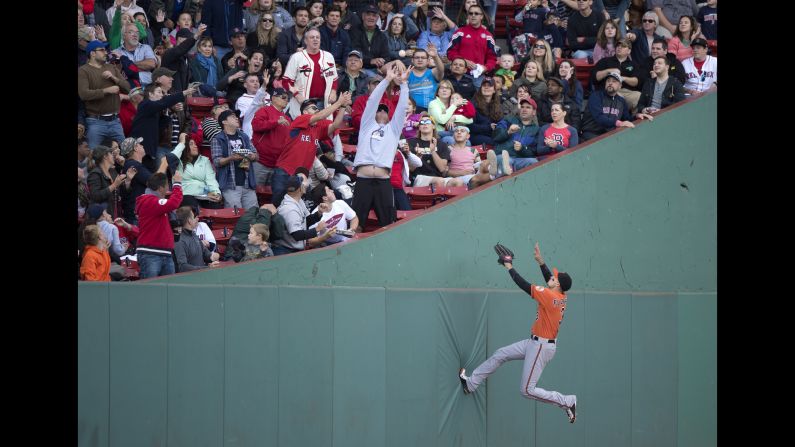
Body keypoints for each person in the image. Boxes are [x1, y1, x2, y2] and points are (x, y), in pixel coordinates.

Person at [459, 242, 576, 423]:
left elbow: (523, 284)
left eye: (555, 277)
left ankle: (567, 401)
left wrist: (509, 266)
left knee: (527, 390)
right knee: (501, 354)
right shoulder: (561, 295)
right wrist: (540, 262)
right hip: (536, 343)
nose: (552, 277)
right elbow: (550, 282)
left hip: (540, 347)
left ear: (558, 284)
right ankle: (471, 383)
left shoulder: (551, 295)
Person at [351, 66, 410, 230]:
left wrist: (403, 85)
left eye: (385, 111)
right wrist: (386, 80)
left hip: (383, 181)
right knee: (356, 224)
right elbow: (372, 101)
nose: (382, 113)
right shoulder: (366, 125)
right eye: (379, 111)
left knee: (388, 225)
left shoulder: (393, 129)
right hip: (363, 180)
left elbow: (402, 107)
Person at [271, 93, 352, 207]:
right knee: (277, 205)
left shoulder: (317, 128)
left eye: (317, 108)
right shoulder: (300, 120)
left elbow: (335, 125)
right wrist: (338, 102)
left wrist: (343, 106)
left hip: (302, 177)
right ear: (305, 112)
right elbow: (321, 116)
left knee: (299, 208)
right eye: (313, 108)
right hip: (285, 171)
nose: (317, 110)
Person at [130, 82, 197, 172]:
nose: (162, 95)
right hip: (141, 149)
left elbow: (160, 127)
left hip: (149, 151)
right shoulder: (145, 104)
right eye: (159, 92)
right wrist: (183, 93)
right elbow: (163, 102)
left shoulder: (154, 110)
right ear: (150, 94)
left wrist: (168, 111)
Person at [78, 40, 131, 148]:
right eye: (102, 50)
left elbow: (127, 88)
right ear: (92, 53)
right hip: (95, 122)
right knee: (93, 157)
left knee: (126, 152)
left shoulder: (111, 68)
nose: (106, 52)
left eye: (105, 50)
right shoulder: (83, 71)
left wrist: (114, 78)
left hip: (115, 120)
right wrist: (106, 91)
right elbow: (84, 94)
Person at [272, 174, 338, 255]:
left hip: (292, 248)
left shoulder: (297, 200)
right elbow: (297, 235)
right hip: (286, 251)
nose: (306, 185)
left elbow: (306, 220)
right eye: (303, 184)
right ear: (300, 189)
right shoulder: (290, 209)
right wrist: (317, 229)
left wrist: (319, 213)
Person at [135, 171, 184, 279]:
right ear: (160, 188)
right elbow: (174, 203)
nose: (168, 189)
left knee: (168, 293)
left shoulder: (155, 202)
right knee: (150, 292)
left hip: (164, 253)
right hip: (150, 254)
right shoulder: (148, 201)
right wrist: (177, 184)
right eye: (167, 186)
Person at [282, 27, 340, 118]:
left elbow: (334, 78)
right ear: (305, 41)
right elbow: (286, 81)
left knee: (323, 130)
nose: (315, 39)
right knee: (303, 130)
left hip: (323, 103)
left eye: (317, 37)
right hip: (303, 103)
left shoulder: (329, 56)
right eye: (312, 37)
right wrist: (297, 96)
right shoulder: (296, 57)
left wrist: (333, 91)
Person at [211, 109, 260, 209]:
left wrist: (252, 156)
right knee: (235, 216)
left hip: (247, 182)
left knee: (253, 215)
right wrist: (231, 158)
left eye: (236, 117)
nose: (236, 118)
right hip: (230, 185)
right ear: (224, 122)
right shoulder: (218, 139)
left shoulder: (244, 136)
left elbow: (256, 155)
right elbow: (216, 161)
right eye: (232, 117)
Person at [446, 4, 498, 88]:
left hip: (478, 76)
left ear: (481, 16)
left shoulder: (488, 36)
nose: (473, 15)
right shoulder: (459, 32)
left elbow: (492, 58)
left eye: (476, 13)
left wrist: (484, 68)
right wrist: (463, 61)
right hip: (460, 75)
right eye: (470, 13)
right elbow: (450, 52)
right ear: (468, 16)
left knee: (479, 100)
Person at [251, 87, 292, 186]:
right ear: (273, 98)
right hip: (260, 162)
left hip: (277, 165)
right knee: (254, 192)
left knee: (270, 197)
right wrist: (276, 122)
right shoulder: (264, 111)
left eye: (288, 99)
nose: (286, 100)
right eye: (283, 97)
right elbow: (256, 125)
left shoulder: (287, 118)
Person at [171, 133, 224, 208]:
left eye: (195, 144)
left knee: (215, 205)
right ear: (184, 147)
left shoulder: (204, 160)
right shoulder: (177, 161)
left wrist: (216, 193)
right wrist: (182, 143)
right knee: (192, 205)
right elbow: (171, 157)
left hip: (203, 195)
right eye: (191, 144)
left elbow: (211, 179)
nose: (195, 146)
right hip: (185, 194)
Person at [579, 70, 635, 141]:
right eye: (608, 81)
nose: (610, 83)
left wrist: (637, 116)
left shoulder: (621, 101)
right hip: (591, 134)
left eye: (614, 81)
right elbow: (599, 118)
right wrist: (617, 123)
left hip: (609, 135)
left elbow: (627, 119)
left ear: (620, 86)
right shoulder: (596, 96)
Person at [589, 38, 641, 113]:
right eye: (618, 46)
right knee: (619, 98)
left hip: (625, 92)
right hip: (607, 90)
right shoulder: (605, 61)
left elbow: (636, 81)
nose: (619, 47)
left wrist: (622, 78)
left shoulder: (633, 64)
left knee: (639, 96)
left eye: (623, 46)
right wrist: (609, 71)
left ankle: (634, 121)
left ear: (629, 51)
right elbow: (594, 77)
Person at [492, 98, 541, 174]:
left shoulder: (536, 129)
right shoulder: (508, 120)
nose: (524, 109)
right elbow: (495, 137)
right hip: (503, 156)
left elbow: (533, 152)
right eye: (522, 107)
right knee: (506, 161)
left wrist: (522, 148)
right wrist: (508, 132)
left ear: (534, 112)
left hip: (520, 160)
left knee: (533, 162)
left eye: (528, 107)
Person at [348, 5, 392, 78]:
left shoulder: (382, 36)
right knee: (376, 79)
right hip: (359, 68)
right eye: (368, 15)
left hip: (377, 69)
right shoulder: (354, 31)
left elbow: (387, 57)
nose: (371, 18)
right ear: (363, 16)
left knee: (395, 73)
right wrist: (370, 61)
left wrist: (381, 61)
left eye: (374, 15)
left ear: (377, 18)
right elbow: (355, 52)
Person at [173, 206, 221, 272]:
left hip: (201, 276)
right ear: (189, 221)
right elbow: (182, 267)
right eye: (193, 217)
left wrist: (213, 257)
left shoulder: (194, 235)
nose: (197, 219)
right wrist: (207, 268)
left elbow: (206, 254)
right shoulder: (179, 241)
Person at [87, 145, 130, 217]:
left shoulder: (112, 171)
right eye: (111, 153)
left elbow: (121, 193)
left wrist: (128, 180)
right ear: (105, 156)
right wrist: (114, 185)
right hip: (102, 216)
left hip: (116, 214)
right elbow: (95, 196)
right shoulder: (95, 174)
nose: (113, 156)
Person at [407, 46, 445, 113]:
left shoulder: (433, 72)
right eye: (417, 57)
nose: (420, 60)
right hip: (413, 111)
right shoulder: (407, 74)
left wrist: (435, 56)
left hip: (432, 110)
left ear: (428, 61)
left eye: (423, 58)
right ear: (412, 60)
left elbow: (441, 69)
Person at [469, 78, 502, 146]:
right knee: (494, 143)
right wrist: (489, 127)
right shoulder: (472, 104)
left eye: (489, 85)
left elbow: (501, 122)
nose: (486, 87)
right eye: (484, 85)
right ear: (481, 89)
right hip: (476, 135)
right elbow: (471, 127)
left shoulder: (498, 105)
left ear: (494, 90)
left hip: (492, 135)